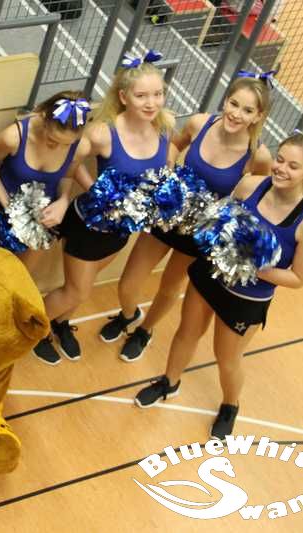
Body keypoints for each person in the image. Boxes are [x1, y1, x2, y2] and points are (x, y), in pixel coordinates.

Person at [134, 133, 303, 440]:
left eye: (293, 166)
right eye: (280, 160)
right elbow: (221, 222)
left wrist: (252, 265)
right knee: (186, 332)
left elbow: (299, 279)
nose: (281, 169)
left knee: (227, 358)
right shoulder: (251, 186)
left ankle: (230, 404)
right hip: (210, 276)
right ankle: (169, 382)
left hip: (246, 299)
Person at [108, 74, 273, 362]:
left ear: (258, 116)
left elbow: (257, 195)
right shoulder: (199, 123)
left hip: (199, 233)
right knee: (128, 284)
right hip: (167, 215)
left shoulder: (257, 155)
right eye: (234, 103)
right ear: (225, 100)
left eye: (247, 110)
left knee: (170, 286)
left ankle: (145, 330)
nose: (236, 114)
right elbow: (174, 145)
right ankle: (129, 314)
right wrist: (170, 173)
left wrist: (226, 213)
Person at [34, 50, 175, 366]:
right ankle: (32, 332)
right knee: (76, 292)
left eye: (157, 94)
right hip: (89, 226)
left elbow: (166, 167)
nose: (151, 103)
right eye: (141, 96)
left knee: (83, 285)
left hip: (120, 231)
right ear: (124, 97)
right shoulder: (103, 131)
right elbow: (70, 163)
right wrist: (95, 190)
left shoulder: (165, 128)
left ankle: (59, 324)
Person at [0, 90, 91, 272]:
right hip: (1, 214)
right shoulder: (13, 137)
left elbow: (67, 175)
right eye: (52, 139)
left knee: (21, 277)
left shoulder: (81, 147)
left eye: (66, 144)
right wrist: (8, 205)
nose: (57, 147)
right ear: (44, 117)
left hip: (41, 220)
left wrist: (63, 201)